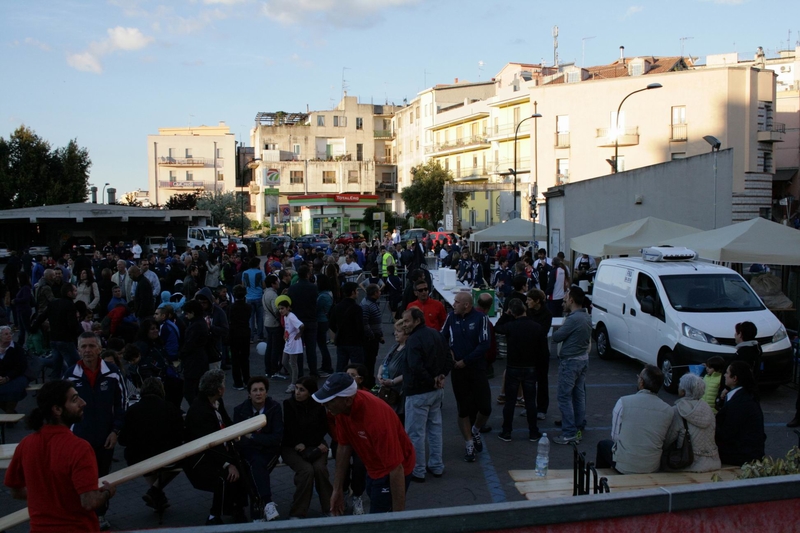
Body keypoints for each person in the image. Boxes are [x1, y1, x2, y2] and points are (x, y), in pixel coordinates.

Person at [5, 380, 117, 532]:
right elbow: (89, 502)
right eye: (75, 399)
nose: (83, 403)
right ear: (57, 410)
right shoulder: (79, 448)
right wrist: (107, 492)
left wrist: (46, 496)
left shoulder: (26, 444)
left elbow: (15, 490)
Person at [315, 373, 415, 514]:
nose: (324, 404)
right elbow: (343, 446)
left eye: (330, 400)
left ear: (348, 400)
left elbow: (396, 469)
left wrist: (398, 517)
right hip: (374, 467)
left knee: (380, 519)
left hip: (394, 468)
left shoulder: (376, 420)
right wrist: (337, 489)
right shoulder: (341, 411)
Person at [64, 332, 127, 530]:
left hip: (105, 437)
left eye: (91, 346)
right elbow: (61, 408)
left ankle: (100, 515)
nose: (87, 350)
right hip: (78, 438)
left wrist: (116, 430)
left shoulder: (113, 372)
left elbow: (122, 404)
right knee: (79, 478)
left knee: (101, 477)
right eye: (83, 346)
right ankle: (81, 514)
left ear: (100, 349)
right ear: (78, 349)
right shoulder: (70, 375)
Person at [183, 369, 249, 525]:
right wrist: (228, 464)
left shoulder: (216, 401)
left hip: (217, 450)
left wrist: (239, 435)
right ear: (219, 389)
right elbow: (209, 443)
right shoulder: (200, 410)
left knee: (243, 466)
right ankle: (214, 515)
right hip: (200, 457)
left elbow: (226, 423)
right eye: (224, 384)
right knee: (227, 475)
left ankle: (237, 507)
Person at [595, 365, 680, 473]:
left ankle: (602, 480)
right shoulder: (668, 410)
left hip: (625, 465)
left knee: (603, 445)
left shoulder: (623, 402)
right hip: (652, 466)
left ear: (641, 382)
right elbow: (666, 441)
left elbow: (615, 437)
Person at [118, 377, 184, 513]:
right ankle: (155, 491)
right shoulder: (170, 408)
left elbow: (122, 440)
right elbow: (180, 436)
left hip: (137, 457)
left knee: (143, 455)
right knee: (184, 460)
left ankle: (157, 496)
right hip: (165, 455)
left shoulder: (132, 410)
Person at [441, 292, 491, 462]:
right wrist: (449, 353)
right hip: (458, 371)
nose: (453, 304)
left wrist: (466, 360)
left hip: (476, 369)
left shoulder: (480, 319)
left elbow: (485, 343)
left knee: (485, 407)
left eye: (456, 302)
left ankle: (476, 429)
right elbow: (442, 338)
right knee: (463, 408)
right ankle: (469, 443)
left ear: (466, 305)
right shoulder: (451, 318)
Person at [402, 307, 450, 480]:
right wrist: (441, 376)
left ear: (417, 321)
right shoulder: (436, 334)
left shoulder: (414, 340)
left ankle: (418, 469)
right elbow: (448, 358)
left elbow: (415, 367)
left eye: (407, 321)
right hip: (436, 391)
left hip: (418, 392)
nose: (404, 324)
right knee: (435, 429)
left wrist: (432, 379)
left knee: (415, 433)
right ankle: (436, 465)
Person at [494, 299, 547, 442]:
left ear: (512, 312)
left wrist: (506, 315)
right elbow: (543, 351)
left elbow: (497, 327)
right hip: (530, 367)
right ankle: (533, 431)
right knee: (530, 401)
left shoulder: (511, 326)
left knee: (510, 401)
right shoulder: (536, 327)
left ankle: (506, 431)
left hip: (513, 367)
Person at [233, 376, 284, 522]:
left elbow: (276, 438)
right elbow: (239, 440)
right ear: (249, 394)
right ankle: (267, 503)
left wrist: (252, 437)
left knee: (254, 467)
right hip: (250, 454)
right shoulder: (240, 411)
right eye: (254, 390)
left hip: (270, 453)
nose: (258, 393)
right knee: (255, 463)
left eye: (261, 390)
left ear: (266, 392)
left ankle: (257, 515)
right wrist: (261, 441)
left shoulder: (274, 408)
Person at [282, 377, 333, 519]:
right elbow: (291, 430)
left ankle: (329, 507)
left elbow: (322, 427)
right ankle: (298, 512)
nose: (297, 392)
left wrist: (310, 443)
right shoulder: (289, 404)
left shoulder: (318, 406)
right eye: (296, 388)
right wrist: (305, 442)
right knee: (306, 471)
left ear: (310, 393)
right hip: (292, 446)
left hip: (315, 445)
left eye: (302, 390)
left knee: (320, 469)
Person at [551, 286, 592, 445]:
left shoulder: (573, 319)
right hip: (583, 359)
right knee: (578, 395)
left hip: (570, 362)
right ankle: (578, 426)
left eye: (566, 299)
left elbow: (557, 337)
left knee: (564, 396)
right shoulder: (586, 316)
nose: (564, 302)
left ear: (572, 300)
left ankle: (569, 433)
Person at [715, 361, 766, 466]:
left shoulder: (740, 401)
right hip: (748, 451)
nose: (724, 375)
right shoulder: (745, 394)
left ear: (735, 378)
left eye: (727, 373)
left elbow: (727, 431)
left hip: (741, 455)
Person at [670, 373, 721, 472]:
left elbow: (670, 438)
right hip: (713, 460)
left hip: (689, 461)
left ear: (683, 392)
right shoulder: (708, 409)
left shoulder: (678, 410)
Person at [288, 264, 320, 377]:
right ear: (308, 274)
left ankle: (300, 372)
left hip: (297, 321)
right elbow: (316, 302)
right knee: (311, 349)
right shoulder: (313, 287)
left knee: (299, 349)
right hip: (311, 320)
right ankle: (313, 371)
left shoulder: (292, 288)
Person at [526, 289, 552, 420]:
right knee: (528, 382)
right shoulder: (528, 311)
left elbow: (542, 332)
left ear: (537, 301)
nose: (527, 302)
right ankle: (529, 407)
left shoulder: (547, 314)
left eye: (529, 300)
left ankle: (542, 409)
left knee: (542, 381)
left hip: (541, 352)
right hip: (529, 352)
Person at [329, 282, 365, 372]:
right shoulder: (357, 308)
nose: (358, 292)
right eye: (357, 290)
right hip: (355, 342)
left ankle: (340, 384)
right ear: (352, 292)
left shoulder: (337, 307)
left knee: (340, 367)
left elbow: (331, 324)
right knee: (357, 368)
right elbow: (360, 327)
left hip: (341, 340)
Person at [180, 299, 210, 405]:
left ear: (193, 312)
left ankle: (197, 409)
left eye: (187, 312)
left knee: (189, 391)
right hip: (199, 360)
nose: (186, 315)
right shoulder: (200, 323)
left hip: (194, 362)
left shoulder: (195, 326)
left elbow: (190, 344)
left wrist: (180, 354)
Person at [378, 321, 409, 423]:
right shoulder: (394, 347)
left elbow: (409, 372)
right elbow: (383, 363)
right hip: (389, 390)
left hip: (400, 392)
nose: (395, 333)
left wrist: (393, 381)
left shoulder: (408, 350)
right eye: (395, 330)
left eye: (399, 331)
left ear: (407, 333)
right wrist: (379, 375)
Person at [278, 295, 305, 394]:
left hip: (294, 343)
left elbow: (301, 325)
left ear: (288, 308)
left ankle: (294, 383)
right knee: (284, 362)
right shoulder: (285, 317)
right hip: (288, 342)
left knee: (293, 363)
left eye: (282, 308)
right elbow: (287, 327)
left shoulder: (292, 316)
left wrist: (299, 334)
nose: (281, 310)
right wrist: (285, 334)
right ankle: (294, 377)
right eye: (279, 309)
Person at [0, 325, 28, 413]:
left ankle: (9, 412)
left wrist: (7, 377)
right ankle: (10, 413)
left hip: (15, 376)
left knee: (14, 389)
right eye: (6, 334)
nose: (9, 336)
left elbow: (21, 367)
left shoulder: (17, 348)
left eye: (10, 334)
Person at [228, 285, 252, 390]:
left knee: (235, 359)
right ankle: (247, 379)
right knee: (245, 358)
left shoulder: (231, 307)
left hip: (234, 333)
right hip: (245, 333)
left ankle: (238, 382)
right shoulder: (248, 307)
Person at [262, 274, 285, 378]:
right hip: (274, 324)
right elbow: (276, 310)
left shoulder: (265, 293)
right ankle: (274, 370)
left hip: (267, 322)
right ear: (273, 283)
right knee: (275, 348)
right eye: (277, 281)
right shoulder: (273, 295)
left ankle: (269, 369)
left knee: (270, 347)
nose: (278, 283)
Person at [361, 283, 384, 380]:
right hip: (370, 339)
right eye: (379, 291)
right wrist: (372, 335)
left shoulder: (372, 302)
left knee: (371, 360)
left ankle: (370, 380)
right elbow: (364, 322)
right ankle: (368, 381)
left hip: (374, 337)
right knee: (369, 361)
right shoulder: (367, 305)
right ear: (375, 293)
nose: (380, 292)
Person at [315, 275, 335, 377]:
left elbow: (316, 308)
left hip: (321, 320)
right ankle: (325, 365)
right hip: (325, 320)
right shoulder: (328, 293)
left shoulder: (322, 296)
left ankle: (327, 367)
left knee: (322, 345)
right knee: (322, 345)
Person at [242, 257, 265, 342]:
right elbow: (263, 285)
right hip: (259, 296)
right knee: (259, 318)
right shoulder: (260, 273)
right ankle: (260, 336)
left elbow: (243, 285)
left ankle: (251, 337)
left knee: (250, 318)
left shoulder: (245, 273)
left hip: (248, 297)